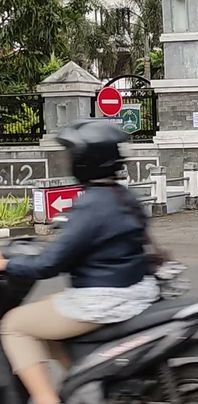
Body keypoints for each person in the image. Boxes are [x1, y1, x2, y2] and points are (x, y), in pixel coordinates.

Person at [0, 121, 162, 404]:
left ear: (87, 161)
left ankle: (44, 398)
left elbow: (48, 265)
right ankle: (84, 384)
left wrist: (6, 265)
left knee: (14, 324)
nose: (67, 161)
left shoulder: (91, 205)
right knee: (48, 314)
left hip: (102, 300)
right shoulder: (123, 196)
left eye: (71, 155)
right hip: (137, 291)